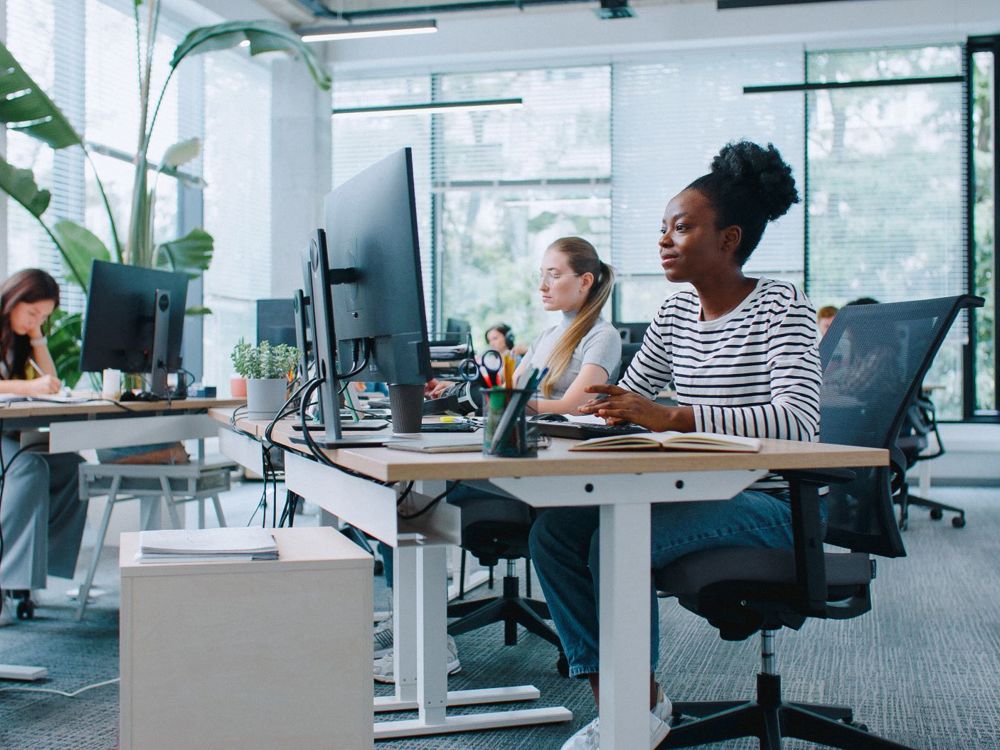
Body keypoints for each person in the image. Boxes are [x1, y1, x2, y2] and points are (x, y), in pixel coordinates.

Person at [528, 142, 821, 749]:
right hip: (691, 491)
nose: (664, 241)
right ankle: (630, 711)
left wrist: (673, 416)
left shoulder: (780, 306)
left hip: (771, 504)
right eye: (662, 228)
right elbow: (621, 400)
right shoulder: (676, 311)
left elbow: (799, 423)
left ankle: (633, 723)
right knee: (554, 534)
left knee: (616, 536)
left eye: (682, 228)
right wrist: (578, 415)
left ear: (729, 239)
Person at [0, 269, 86, 625]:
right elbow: (34, 388)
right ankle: (6, 580)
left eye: (45, 317)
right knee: (28, 467)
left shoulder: (23, 339)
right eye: (32, 314)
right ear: (12, 301)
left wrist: (36, 336)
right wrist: (29, 388)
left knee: (73, 467)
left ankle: (31, 575)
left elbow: (50, 383)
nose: (37, 321)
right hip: (8, 441)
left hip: (12, 434)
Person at [514, 235, 621, 414]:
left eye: (554, 276)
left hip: (564, 438)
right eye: (542, 275)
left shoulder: (602, 336)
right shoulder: (545, 336)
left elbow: (573, 408)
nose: (542, 286)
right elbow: (510, 389)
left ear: (585, 281)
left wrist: (503, 403)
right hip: (528, 433)